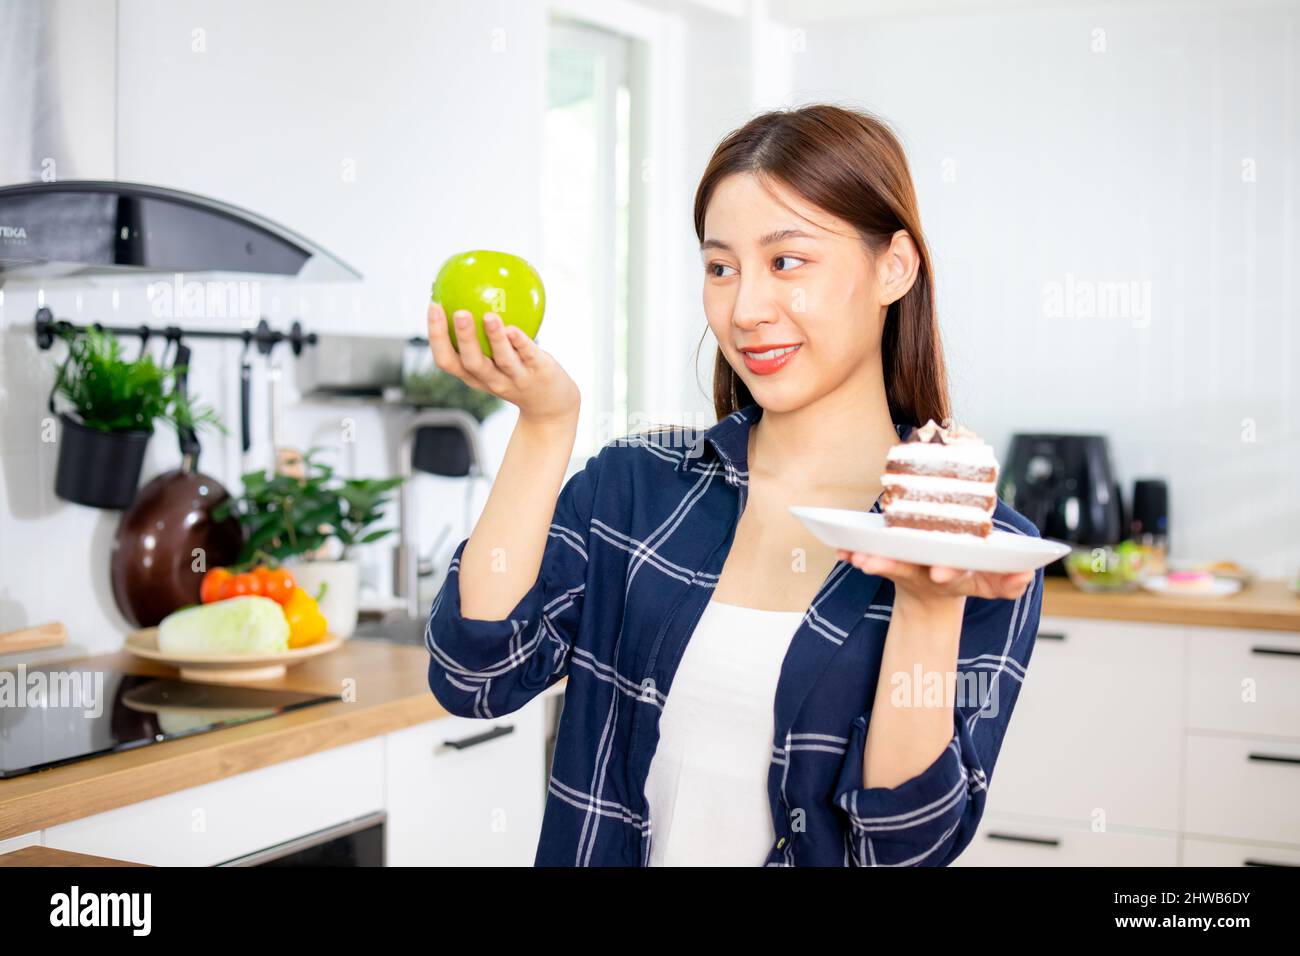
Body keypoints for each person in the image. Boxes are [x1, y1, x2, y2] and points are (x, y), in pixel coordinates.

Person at [424, 103, 1043, 867]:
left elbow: (902, 849)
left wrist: (928, 602)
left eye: (787, 262)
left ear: (895, 267)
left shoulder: (981, 547)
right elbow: (475, 677)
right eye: (721, 268)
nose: (745, 310)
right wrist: (545, 426)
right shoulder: (637, 489)